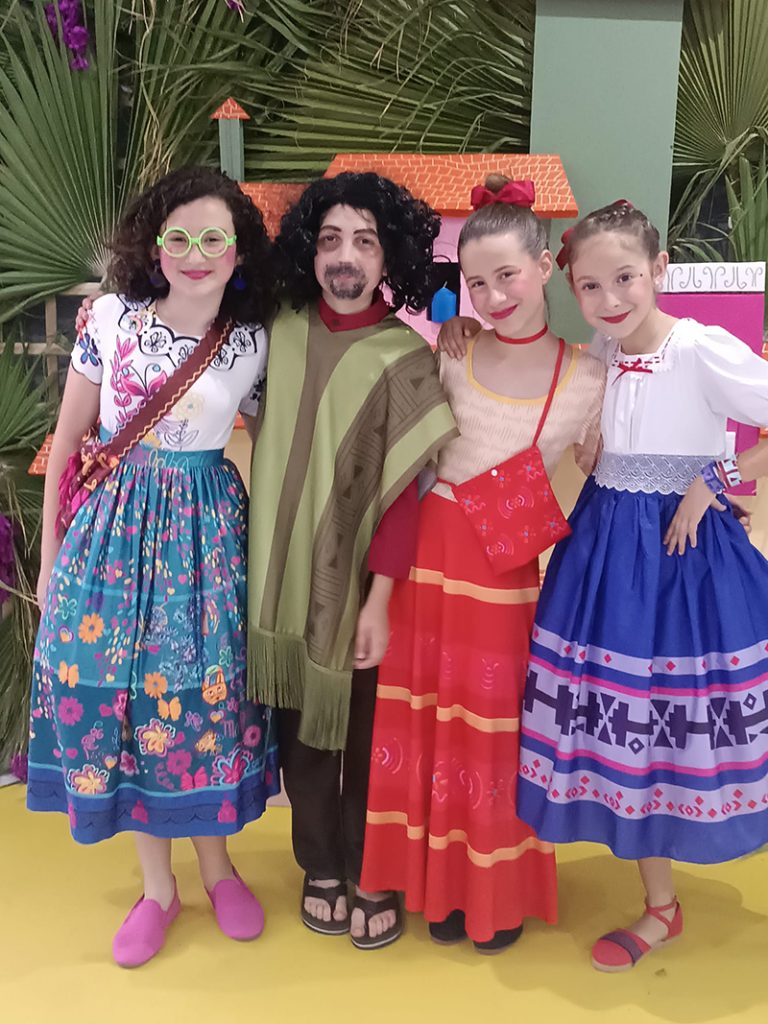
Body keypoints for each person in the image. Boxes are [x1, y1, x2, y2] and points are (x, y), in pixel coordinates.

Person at [28, 167, 280, 967]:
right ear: (154, 245)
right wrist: (49, 557)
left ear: (238, 249)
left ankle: (218, 869)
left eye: (213, 238)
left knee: (205, 698)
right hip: (110, 534)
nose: (195, 254)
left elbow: (279, 441)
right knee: (126, 699)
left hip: (207, 537)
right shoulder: (109, 318)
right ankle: (157, 888)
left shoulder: (256, 338)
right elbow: (68, 443)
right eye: (179, 237)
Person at [516, 199, 768, 972]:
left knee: (684, 722)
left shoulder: (700, 349)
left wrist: (715, 479)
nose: (610, 298)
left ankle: (668, 900)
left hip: (683, 561)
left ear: (659, 269)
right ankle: (661, 903)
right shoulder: (603, 350)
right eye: (590, 286)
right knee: (629, 729)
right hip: (606, 556)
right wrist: (596, 453)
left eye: (624, 277)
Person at [359, 176, 606, 951]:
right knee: (424, 725)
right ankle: (435, 887)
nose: (494, 297)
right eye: (476, 283)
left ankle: (491, 895)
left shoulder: (591, 380)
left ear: (544, 266)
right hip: (426, 568)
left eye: (507, 275)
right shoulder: (450, 354)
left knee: (493, 737)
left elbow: (614, 473)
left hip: (505, 581)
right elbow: (407, 468)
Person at [247, 172, 458, 949]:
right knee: (302, 736)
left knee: (368, 738)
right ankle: (321, 867)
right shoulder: (277, 331)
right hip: (277, 581)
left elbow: (404, 495)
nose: (346, 257)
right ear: (310, 249)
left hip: (366, 586)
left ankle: (372, 870)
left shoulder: (406, 357)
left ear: (389, 257)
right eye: (331, 239)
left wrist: (377, 600)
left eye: (366, 242)